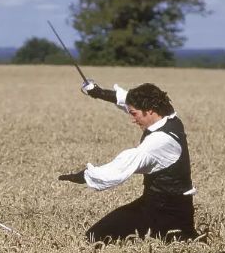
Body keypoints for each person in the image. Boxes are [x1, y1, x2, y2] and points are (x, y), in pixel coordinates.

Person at [58, 81, 199, 243]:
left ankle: (181, 236)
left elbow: (121, 168)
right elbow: (127, 100)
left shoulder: (159, 141)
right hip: (166, 205)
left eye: (134, 114)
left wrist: (85, 175)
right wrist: (98, 92)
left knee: (95, 237)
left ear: (150, 111)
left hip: (164, 211)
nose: (132, 119)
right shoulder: (168, 115)